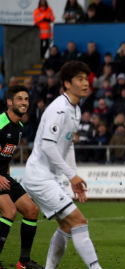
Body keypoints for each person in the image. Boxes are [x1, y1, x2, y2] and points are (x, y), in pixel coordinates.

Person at [22, 61, 102, 269]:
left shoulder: (74, 109)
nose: (86, 83)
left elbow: (68, 146)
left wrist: (72, 176)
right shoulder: (59, 109)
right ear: (67, 83)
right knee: (80, 222)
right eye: (80, 79)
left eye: (86, 79)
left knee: (67, 227)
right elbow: (48, 147)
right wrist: (71, 175)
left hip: (50, 177)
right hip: (40, 177)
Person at [0, 86, 43, 269]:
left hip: (3, 175)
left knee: (32, 210)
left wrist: (7, 176)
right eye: (20, 99)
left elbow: (6, 157)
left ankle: (23, 262)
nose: (24, 102)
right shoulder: (0, 121)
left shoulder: (19, 126)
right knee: (9, 211)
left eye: (26, 99)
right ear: (10, 102)